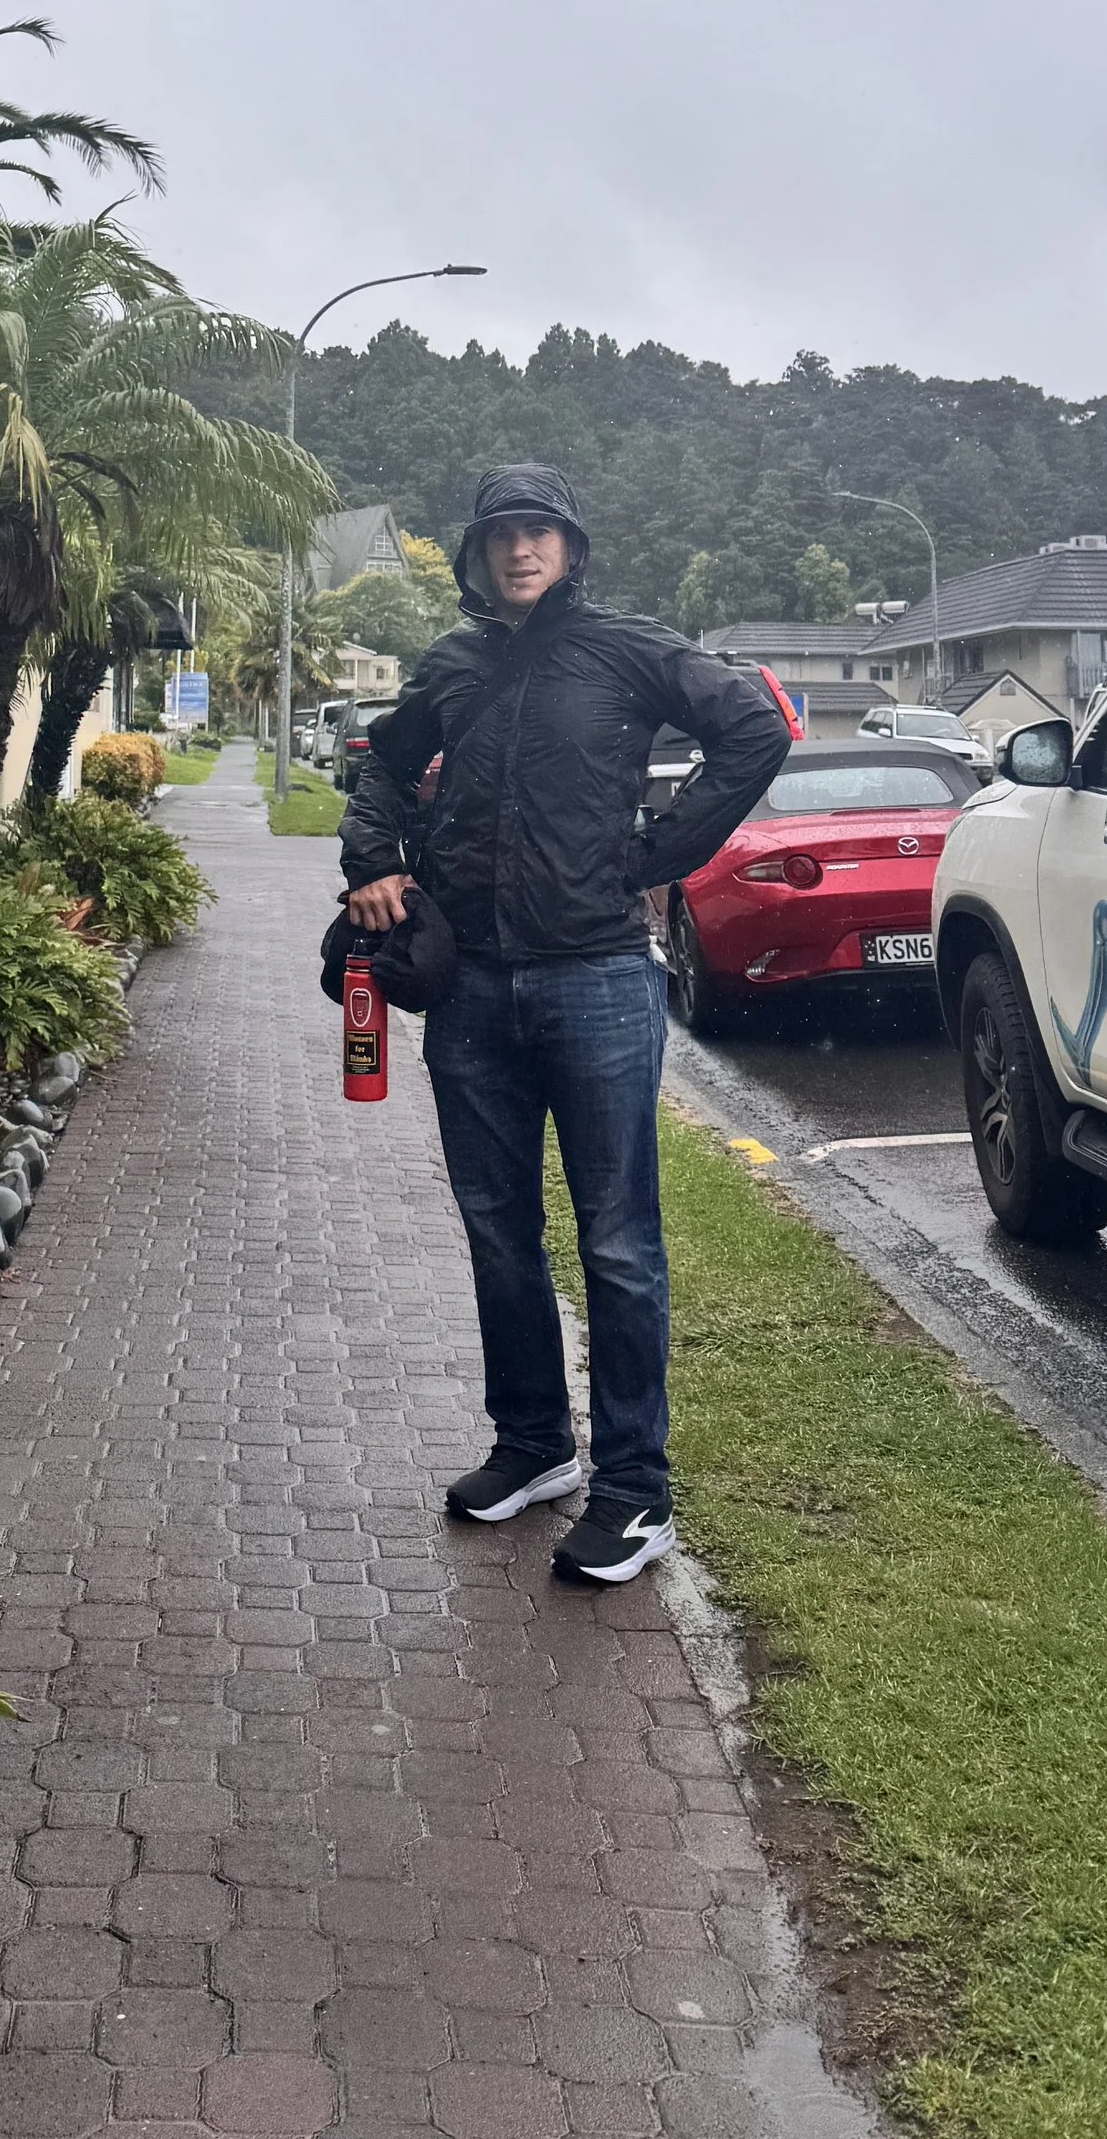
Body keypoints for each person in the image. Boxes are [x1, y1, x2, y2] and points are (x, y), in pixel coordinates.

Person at [339, 462, 790, 1583]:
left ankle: (636, 1493)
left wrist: (657, 858)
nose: (520, 550)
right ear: (475, 555)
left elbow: (752, 730)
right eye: (501, 535)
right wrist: (372, 863)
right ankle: (534, 1447)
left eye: (540, 533)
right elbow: (379, 771)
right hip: (472, 989)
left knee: (618, 1243)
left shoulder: (630, 650)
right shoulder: (451, 665)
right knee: (497, 1230)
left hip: (595, 979)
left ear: (571, 549)